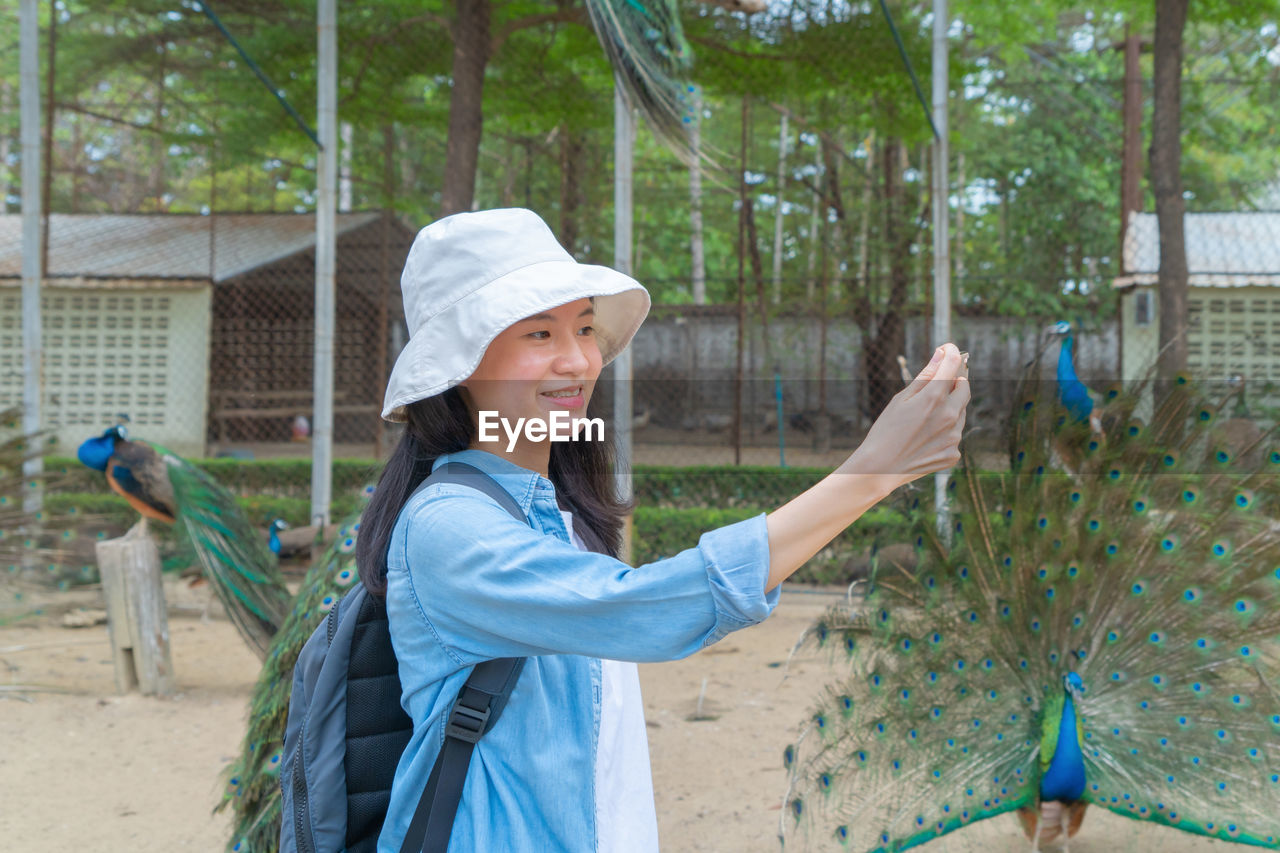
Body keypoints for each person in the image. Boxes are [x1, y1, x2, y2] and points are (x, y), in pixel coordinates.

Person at [360, 208, 969, 852]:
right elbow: (639, 606)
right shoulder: (448, 526)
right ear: (462, 363)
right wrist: (871, 474)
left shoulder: (557, 516)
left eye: (586, 327)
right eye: (539, 334)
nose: (578, 360)